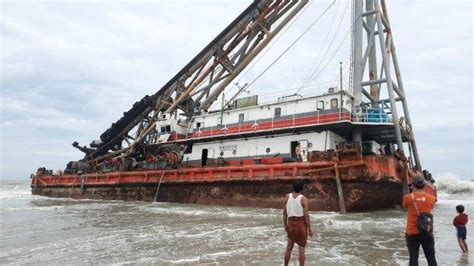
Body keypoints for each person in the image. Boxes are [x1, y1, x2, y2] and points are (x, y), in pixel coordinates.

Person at [402, 176, 437, 266]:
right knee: (431, 258)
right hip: (427, 231)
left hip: (412, 232)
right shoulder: (431, 198)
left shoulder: (408, 197)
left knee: (413, 258)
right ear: (424, 185)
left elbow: (405, 206)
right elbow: (431, 207)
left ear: (412, 185)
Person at [283, 181, 313, 266]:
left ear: (293, 187)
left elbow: (284, 213)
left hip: (291, 225)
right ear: (301, 189)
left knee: (288, 248)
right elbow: (306, 216)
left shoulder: (287, 197)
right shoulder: (303, 199)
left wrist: (285, 225)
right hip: (301, 226)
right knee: (301, 249)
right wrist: (309, 229)